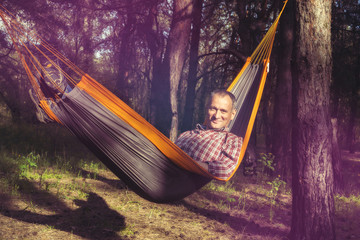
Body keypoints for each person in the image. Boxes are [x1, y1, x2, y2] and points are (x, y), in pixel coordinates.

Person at [175, 90, 243, 180]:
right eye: (213, 109)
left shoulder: (232, 140)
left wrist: (188, 163)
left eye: (223, 111)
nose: (217, 115)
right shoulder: (186, 134)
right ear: (207, 109)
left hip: (181, 180)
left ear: (232, 114)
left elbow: (226, 169)